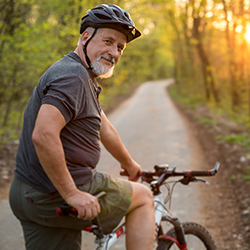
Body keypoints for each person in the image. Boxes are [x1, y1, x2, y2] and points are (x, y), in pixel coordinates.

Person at [9, 4, 155, 250]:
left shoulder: (80, 75)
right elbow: (44, 135)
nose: (114, 52)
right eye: (108, 41)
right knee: (143, 198)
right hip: (53, 193)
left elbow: (104, 128)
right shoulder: (73, 77)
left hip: (27, 194)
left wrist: (129, 164)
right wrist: (71, 193)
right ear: (86, 36)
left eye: (120, 47)